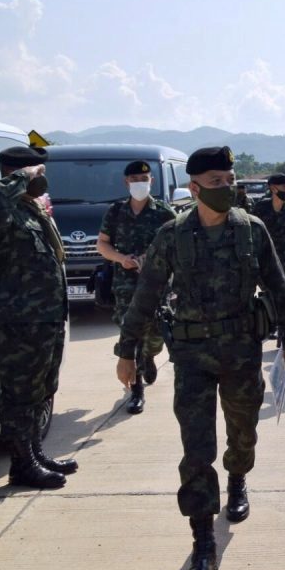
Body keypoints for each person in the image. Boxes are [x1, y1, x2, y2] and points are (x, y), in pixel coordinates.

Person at [115, 146, 285, 570]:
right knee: (196, 450)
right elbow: (145, 297)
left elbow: (279, 288)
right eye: (216, 182)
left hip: (241, 353)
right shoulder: (172, 236)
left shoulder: (252, 230)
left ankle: (238, 476)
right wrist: (127, 351)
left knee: (242, 433)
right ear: (194, 187)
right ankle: (202, 543)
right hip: (193, 357)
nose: (227, 187)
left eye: (230, 179)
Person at [0, 145, 77, 489]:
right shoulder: (3, 211)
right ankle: (21, 465)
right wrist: (23, 177)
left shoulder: (32, 210)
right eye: (39, 173)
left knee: (42, 389)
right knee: (20, 395)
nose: (44, 181)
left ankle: (35, 452)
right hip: (20, 319)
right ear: (14, 173)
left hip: (46, 316)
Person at [96, 160, 177, 414]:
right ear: (126, 182)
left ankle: (151, 356)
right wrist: (122, 259)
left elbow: (178, 247)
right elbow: (102, 244)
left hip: (157, 286)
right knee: (130, 334)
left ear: (151, 181)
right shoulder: (116, 211)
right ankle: (136, 389)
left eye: (144, 179)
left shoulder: (164, 213)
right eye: (134, 179)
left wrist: (153, 261)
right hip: (125, 286)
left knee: (154, 336)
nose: (139, 184)